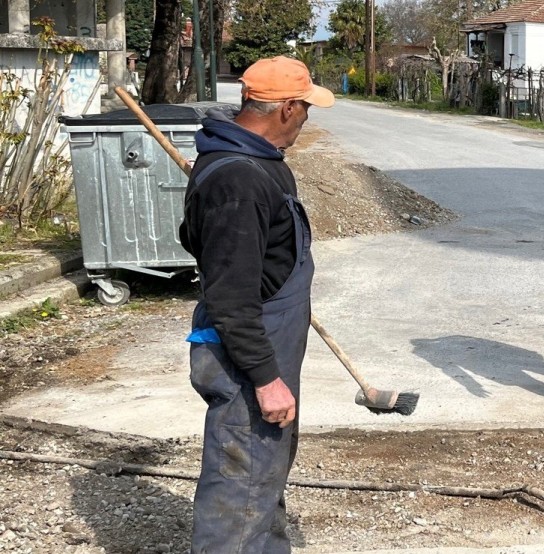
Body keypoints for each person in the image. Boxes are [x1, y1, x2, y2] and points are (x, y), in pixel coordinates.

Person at [179, 56, 334, 552]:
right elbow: (229, 295)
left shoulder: (254, 162)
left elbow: (195, 238)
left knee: (262, 480)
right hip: (246, 361)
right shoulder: (238, 179)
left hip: (264, 346)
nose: (308, 118)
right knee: (241, 488)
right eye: (306, 108)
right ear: (287, 108)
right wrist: (266, 380)